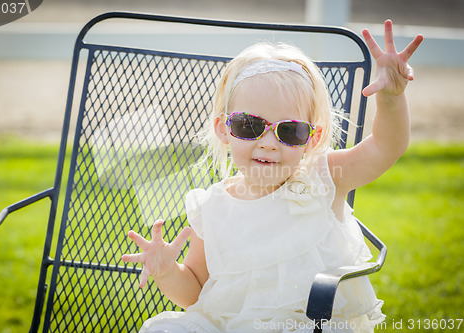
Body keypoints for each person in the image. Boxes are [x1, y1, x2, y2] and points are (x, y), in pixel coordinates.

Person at [122, 20, 423, 333]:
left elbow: (386, 147)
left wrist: (391, 97)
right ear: (224, 129)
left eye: (289, 131)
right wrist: (167, 271)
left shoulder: (323, 176)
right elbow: (195, 295)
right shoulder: (213, 208)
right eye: (249, 125)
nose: (267, 142)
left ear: (314, 139)